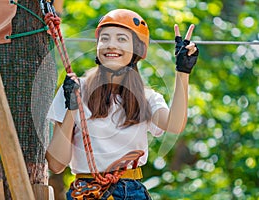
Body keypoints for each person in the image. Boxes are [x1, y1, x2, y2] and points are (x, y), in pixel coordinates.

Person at [46, 8, 199, 200]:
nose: (111, 45)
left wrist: (182, 71)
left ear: (136, 50)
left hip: (132, 192)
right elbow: (56, 164)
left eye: (121, 39)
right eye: (105, 38)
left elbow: (174, 125)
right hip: (87, 192)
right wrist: (72, 109)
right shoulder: (75, 89)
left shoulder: (146, 98)